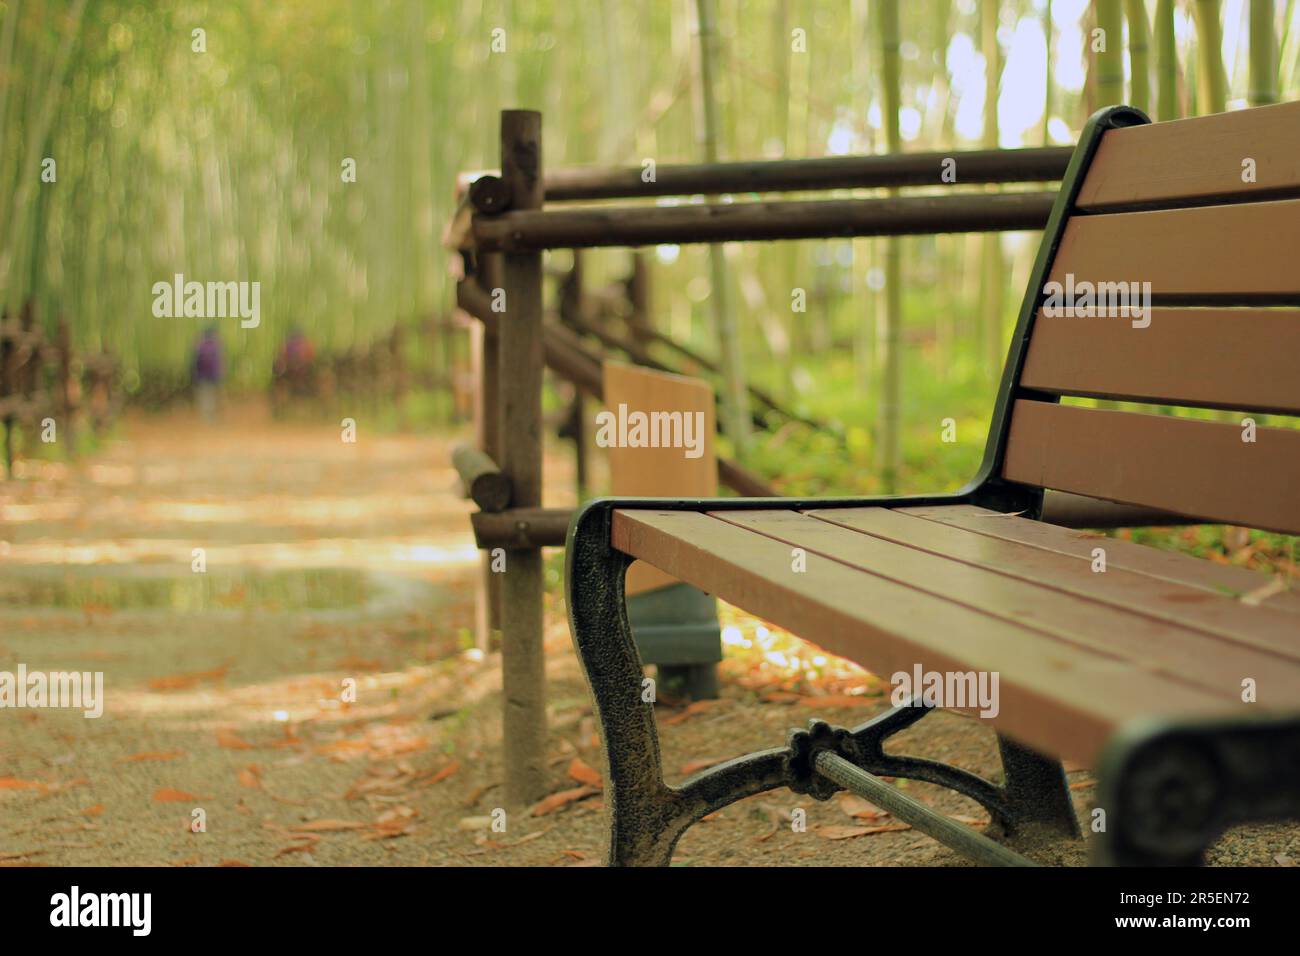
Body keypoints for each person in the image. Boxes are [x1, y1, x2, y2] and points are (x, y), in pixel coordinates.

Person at [192, 327, 223, 422]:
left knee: (205, 396)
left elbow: (195, 362)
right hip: (213, 376)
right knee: (212, 397)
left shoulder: (199, 346)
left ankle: (205, 417)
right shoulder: (216, 346)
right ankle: (212, 417)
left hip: (202, 376)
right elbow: (219, 363)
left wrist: (194, 375)